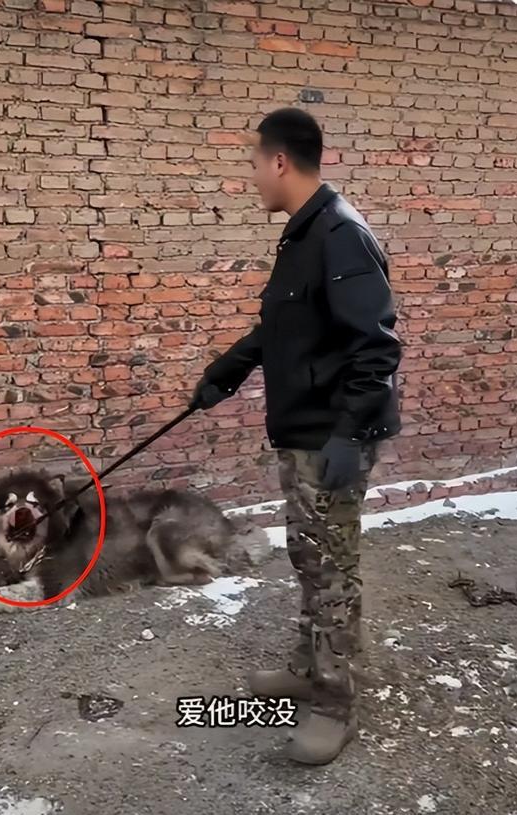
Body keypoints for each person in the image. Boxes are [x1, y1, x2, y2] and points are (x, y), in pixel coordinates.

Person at [190, 107, 402, 765]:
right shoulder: (303, 235)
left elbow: (376, 346)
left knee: (332, 568)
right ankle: (309, 668)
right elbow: (283, 327)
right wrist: (227, 370)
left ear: (280, 160)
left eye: (255, 163)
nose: (253, 176)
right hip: (304, 433)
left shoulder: (341, 235)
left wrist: (352, 434)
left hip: (331, 437)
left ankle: (335, 704)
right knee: (310, 555)